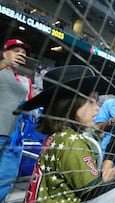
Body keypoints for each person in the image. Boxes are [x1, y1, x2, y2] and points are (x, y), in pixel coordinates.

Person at [15, 65, 115, 202]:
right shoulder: (72, 142)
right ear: (71, 103)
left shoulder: (61, 136)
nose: (97, 108)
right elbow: (94, 194)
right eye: (91, 101)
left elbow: (87, 184)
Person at [0, 38, 33, 201]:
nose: (21, 54)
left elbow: (31, 106)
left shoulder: (27, 81)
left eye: (23, 53)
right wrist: (4, 62)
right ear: (5, 53)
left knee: (6, 179)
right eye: (16, 51)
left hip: (14, 139)